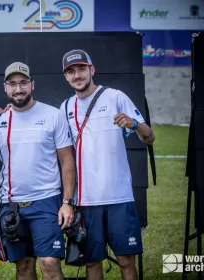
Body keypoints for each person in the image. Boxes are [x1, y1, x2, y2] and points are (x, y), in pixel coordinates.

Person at [0, 62, 76, 280]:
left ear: (32, 85)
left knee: (49, 263)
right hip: (12, 205)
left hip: (46, 201)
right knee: (24, 266)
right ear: (5, 87)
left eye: (23, 83)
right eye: (13, 84)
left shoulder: (53, 115)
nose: (18, 89)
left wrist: (67, 203)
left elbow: (67, 161)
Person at [60, 49, 155, 280]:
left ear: (92, 70)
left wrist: (133, 124)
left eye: (82, 69)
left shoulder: (115, 97)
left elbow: (149, 136)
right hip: (86, 200)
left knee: (125, 261)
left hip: (119, 197)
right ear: (66, 77)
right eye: (71, 71)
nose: (77, 75)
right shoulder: (65, 107)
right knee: (92, 263)